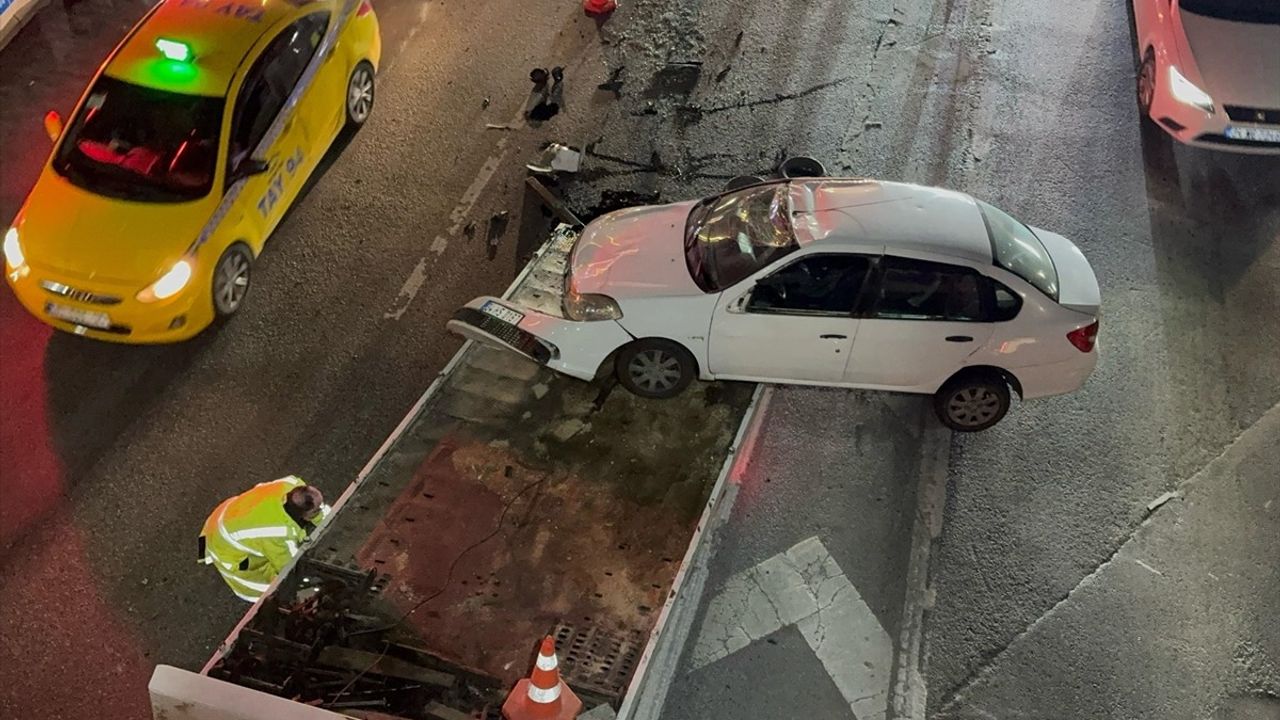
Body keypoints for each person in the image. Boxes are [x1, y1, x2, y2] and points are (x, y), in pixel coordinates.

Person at [198, 476, 331, 603]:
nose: (321, 509)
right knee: (259, 576)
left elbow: (317, 510)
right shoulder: (278, 534)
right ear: (305, 515)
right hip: (226, 548)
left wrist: (327, 518)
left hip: (224, 517)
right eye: (316, 511)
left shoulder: (291, 484)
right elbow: (289, 566)